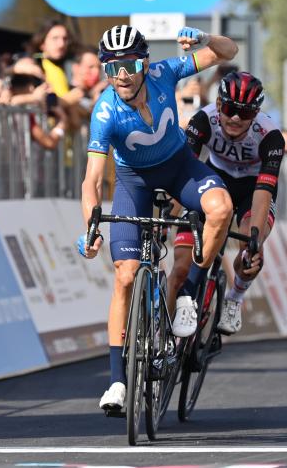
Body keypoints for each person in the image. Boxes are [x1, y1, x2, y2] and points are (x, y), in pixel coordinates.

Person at [78, 25, 238, 413]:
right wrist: (91, 225)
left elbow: (226, 51)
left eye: (130, 65)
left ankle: (187, 294)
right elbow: (93, 180)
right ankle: (117, 381)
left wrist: (203, 38)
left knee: (221, 209)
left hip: (179, 168)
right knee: (126, 274)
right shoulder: (105, 113)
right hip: (134, 183)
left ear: (144, 62)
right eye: (112, 68)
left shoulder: (165, 72)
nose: (122, 76)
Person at [169, 72, 285, 335]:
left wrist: (254, 237)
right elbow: (182, 174)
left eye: (244, 113)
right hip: (212, 180)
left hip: (253, 189)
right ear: (219, 104)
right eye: (230, 109)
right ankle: (162, 336)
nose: (235, 118)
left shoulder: (270, 136)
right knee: (180, 268)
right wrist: (169, 216)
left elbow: (265, 190)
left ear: (255, 113)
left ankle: (235, 297)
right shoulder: (203, 120)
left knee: (250, 246)